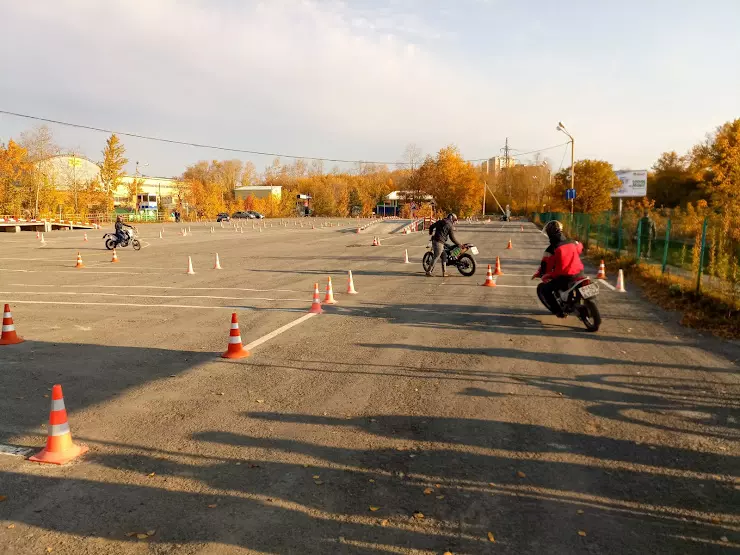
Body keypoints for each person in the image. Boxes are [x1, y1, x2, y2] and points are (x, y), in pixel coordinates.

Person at [533, 220, 584, 317]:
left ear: (549, 233)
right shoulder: (573, 242)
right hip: (580, 273)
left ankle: (559, 312)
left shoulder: (551, 249)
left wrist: (543, 274)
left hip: (565, 277)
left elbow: (546, 266)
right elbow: (580, 247)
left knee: (545, 289)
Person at [427, 213, 462, 277]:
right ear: (452, 219)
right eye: (454, 220)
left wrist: (431, 232)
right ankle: (428, 271)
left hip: (436, 241)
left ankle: (444, 272)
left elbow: (431, 226)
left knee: (444, 255)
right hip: (439, 242)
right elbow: (452, 238)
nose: (454, 222)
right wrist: (458, 244)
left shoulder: (440, 221)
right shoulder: (449, 225)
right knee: (436, 256)